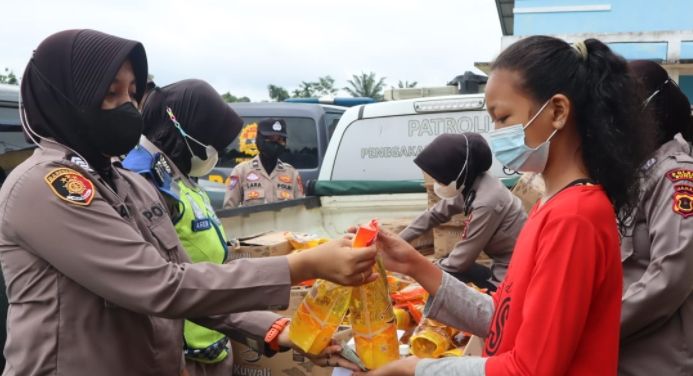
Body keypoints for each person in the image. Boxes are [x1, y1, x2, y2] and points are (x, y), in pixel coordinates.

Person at [0, 29, 373, 376]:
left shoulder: (130, 184)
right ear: (66, 99)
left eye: (131, 93)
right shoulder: (44, 187)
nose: (127, 107)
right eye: (109, 94)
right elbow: (162, 285)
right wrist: (299, 265)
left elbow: (187, 276)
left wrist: (280, 330)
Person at [356, 36, 653, 376]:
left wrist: (416, 370)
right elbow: (503, 315)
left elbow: (531, 369)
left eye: (502, 117)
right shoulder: (549, 206)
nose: (495, 133)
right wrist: (413, 264)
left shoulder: (574, 218)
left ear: (557, 111)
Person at [122, 79, 289, 376]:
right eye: (211, 142)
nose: (215, 153)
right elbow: (155, 287)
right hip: (179, 355)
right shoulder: (142, 182)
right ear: (184, 129)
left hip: (214, 341)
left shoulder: (180, 176)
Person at [618, 60, 693, 375]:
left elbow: (669, 278)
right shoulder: (635, 175)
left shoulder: (676, 176)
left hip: (657, 361)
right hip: (622, 352)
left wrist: (596, 326)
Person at [399, 133, 526, 291]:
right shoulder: (471, 183)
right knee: (442, 266)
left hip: (508, 282)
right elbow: (434, 214)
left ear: (458, 170)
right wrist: (397, 240)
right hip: (499, 267)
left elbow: (460, 261)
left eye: (440, 179)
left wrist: (418, 272)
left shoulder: (488, 201)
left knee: (443, 274)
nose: (438, 184)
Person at [223, 118, 304, 208]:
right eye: (270, 138)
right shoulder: (241, 172)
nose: (275, 143)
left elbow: (300, 210)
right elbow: (229, 210)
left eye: (280, 139)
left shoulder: (292, 174)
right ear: (259, 139)